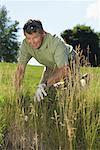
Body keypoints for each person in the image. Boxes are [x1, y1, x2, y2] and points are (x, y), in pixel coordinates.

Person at [14, 19, 77, 101]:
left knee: (73, 91)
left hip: (69, 61)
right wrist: (17, 93)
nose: (32, 42)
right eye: (28, 38)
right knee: (43, 95)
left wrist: (44, 85)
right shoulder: (25, 44)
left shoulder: (56, 42)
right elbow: (20, 69)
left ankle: (83, 81)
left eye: (35, 37)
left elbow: (64, 70)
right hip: (50, 65)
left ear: (43, 33)